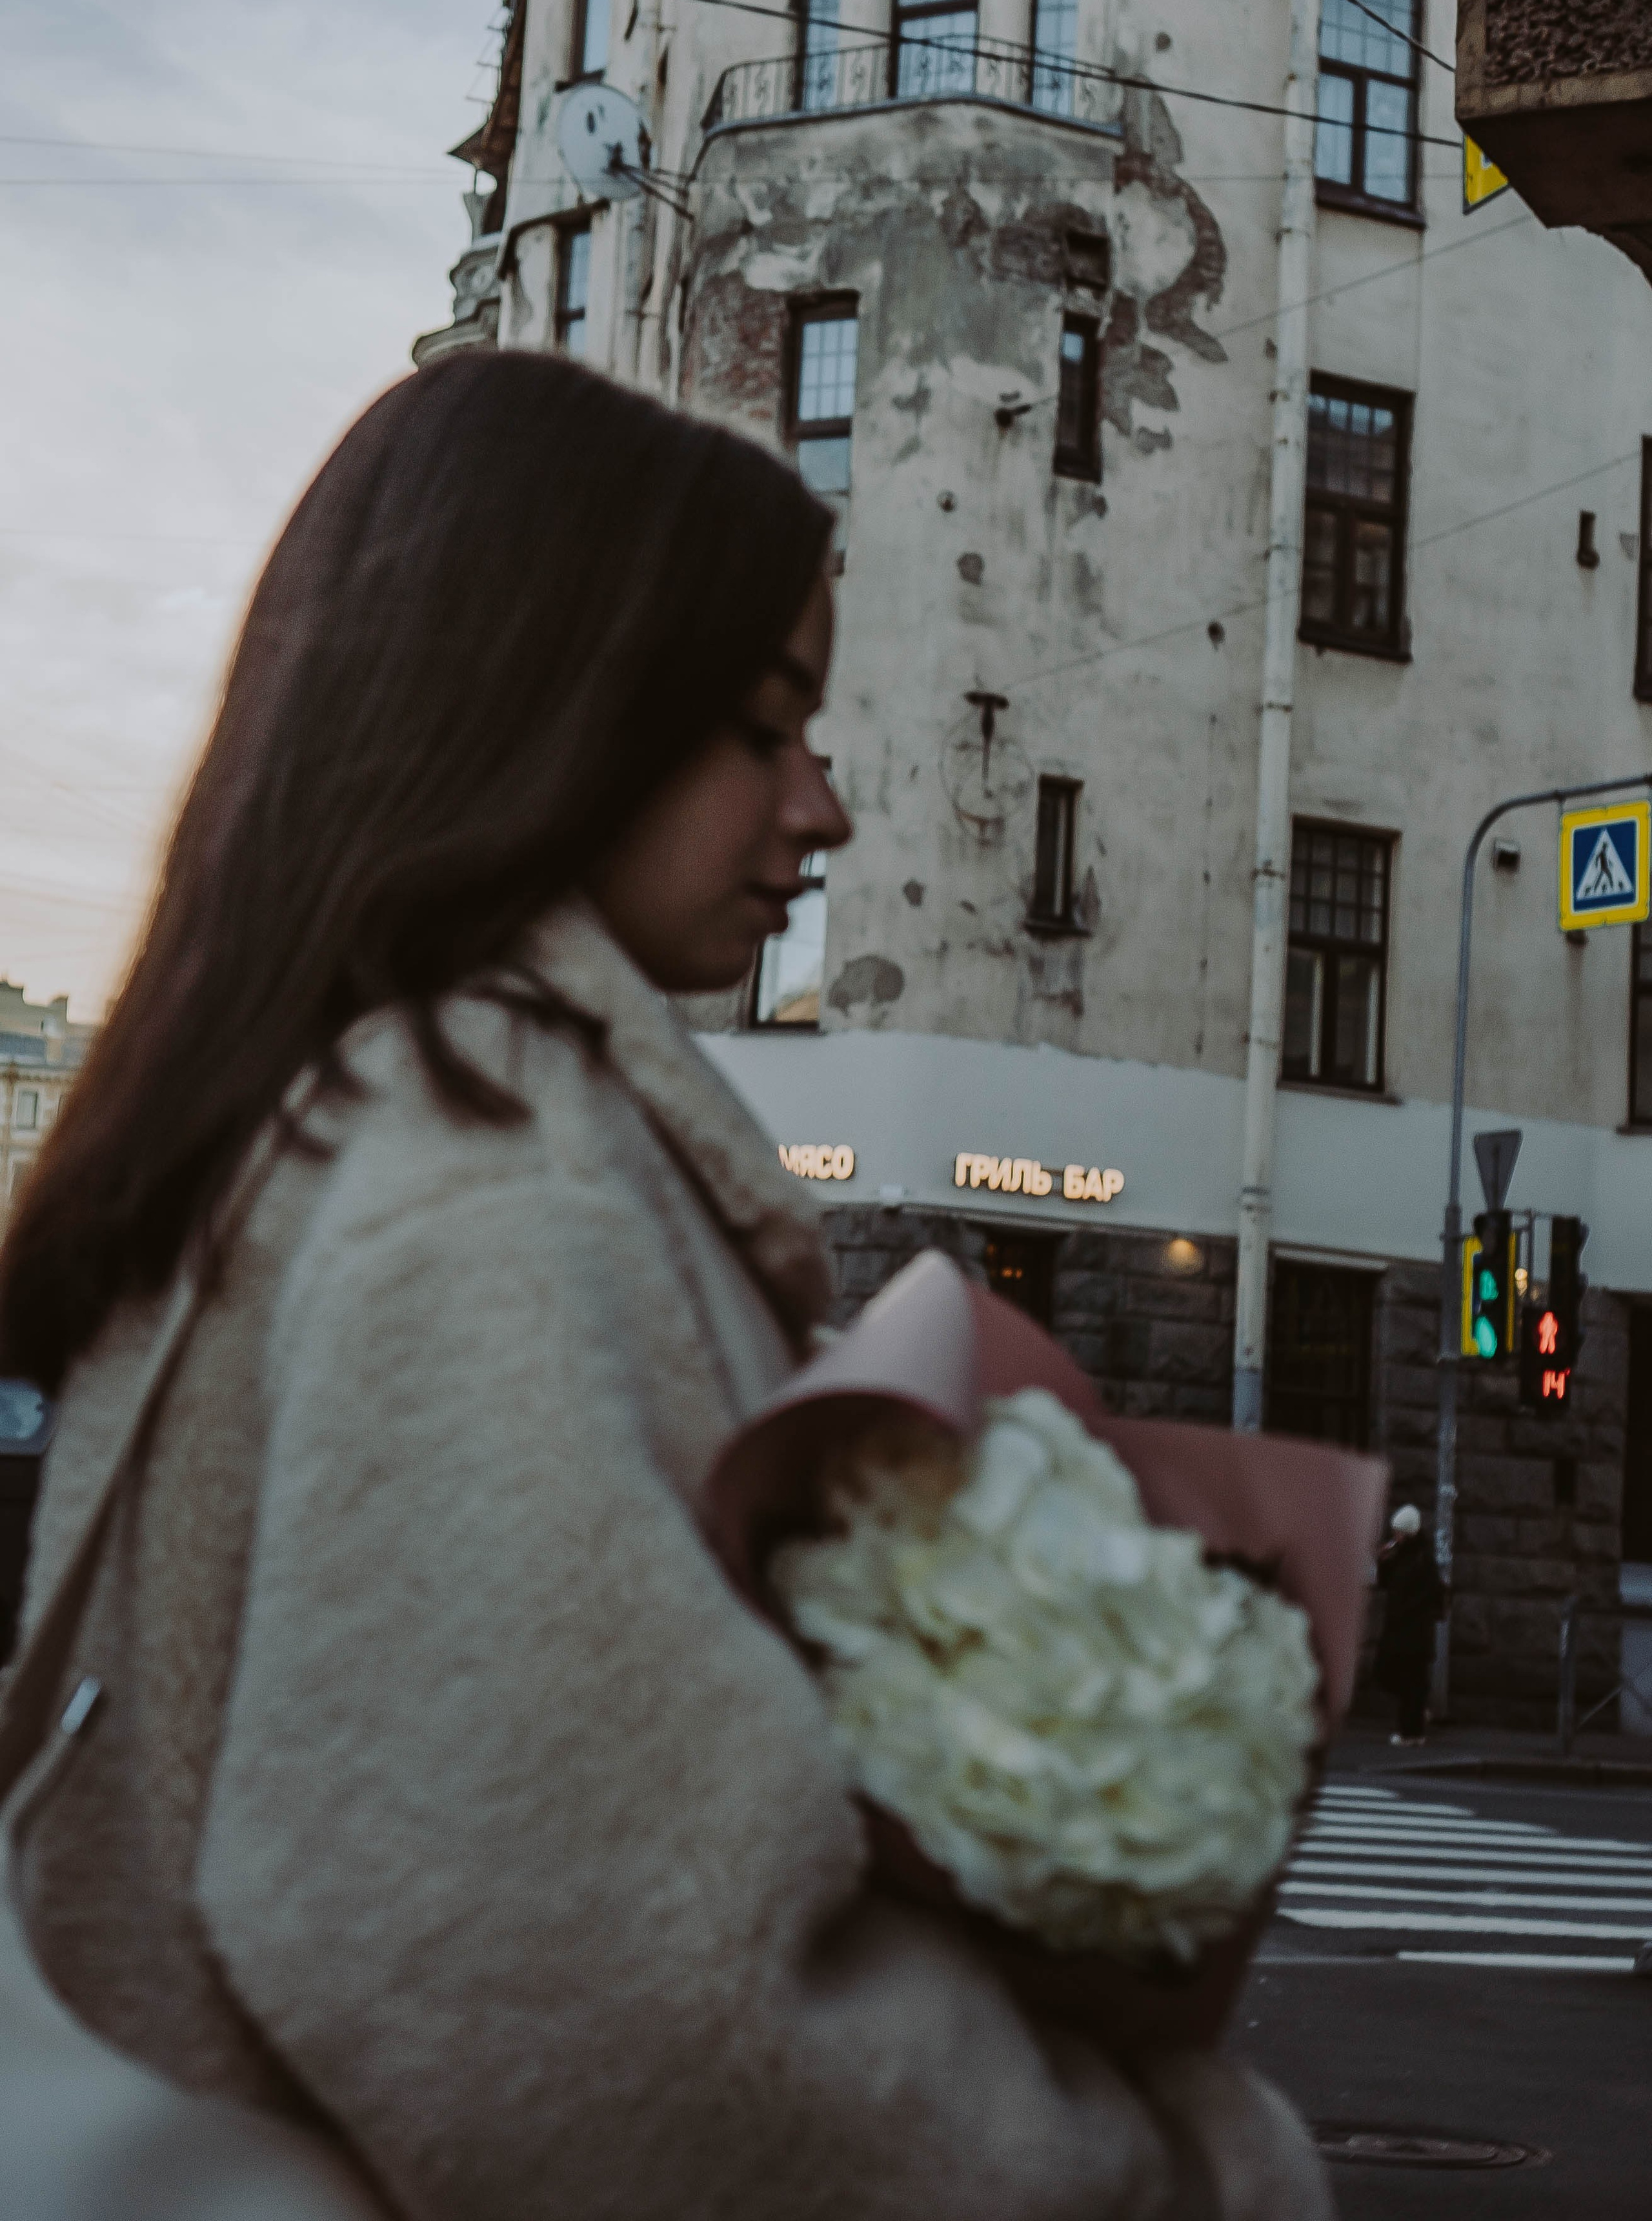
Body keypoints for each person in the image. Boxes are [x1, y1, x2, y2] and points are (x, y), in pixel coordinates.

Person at [0, 353, 1329, 2221]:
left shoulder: (351, 1110)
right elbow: (588, 1991)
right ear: (551, 705)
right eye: (763, 727)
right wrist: (1161, 2172)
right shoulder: (483, 1167)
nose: (824, 810)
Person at [1374, 1504, 1445, 1746]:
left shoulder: (1422, 1559)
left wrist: (1408, 1612)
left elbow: (1430, 1594)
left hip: (1413, 1632)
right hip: (1400, 1630)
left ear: (1408, 1533)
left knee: (1411, 1682)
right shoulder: (1402, 1555)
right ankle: (1416, 1718)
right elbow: (1387, 1584)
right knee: (1392, 1677)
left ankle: (1411, 1733)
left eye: (1398, 1532)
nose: (1395, 1536)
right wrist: (1383, 1562)